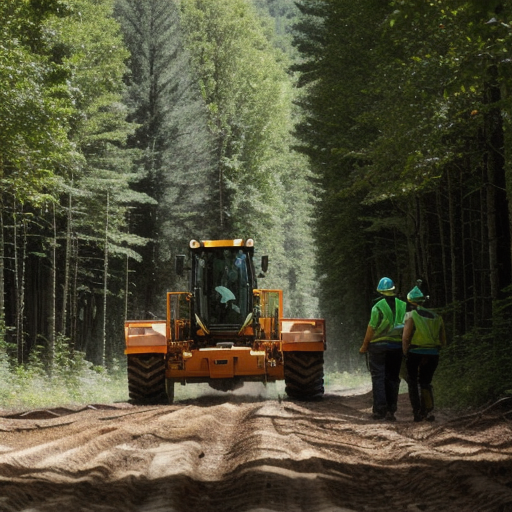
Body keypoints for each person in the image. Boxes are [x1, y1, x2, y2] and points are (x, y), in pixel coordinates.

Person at [360, 277, 406, 421]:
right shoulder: (403, 305)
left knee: (379, 377)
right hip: (396, 347)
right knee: (393, 378)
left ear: (380, 290)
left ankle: (380, 410)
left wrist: (365, 345)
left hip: (378, 347)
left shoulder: (377, 306)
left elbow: (371, 328)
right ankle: (391, 411)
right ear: (393, 289)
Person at [402, 285, 446, 422]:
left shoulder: (411, 315)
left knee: (413, 382)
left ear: (410, 302)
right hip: (433, 354)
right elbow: (443, 341)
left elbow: (405, 337)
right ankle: (427, 411)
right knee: (426, 382)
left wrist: (405, 353)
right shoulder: (437, 317)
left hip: (415, 352)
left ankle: (417, 412)